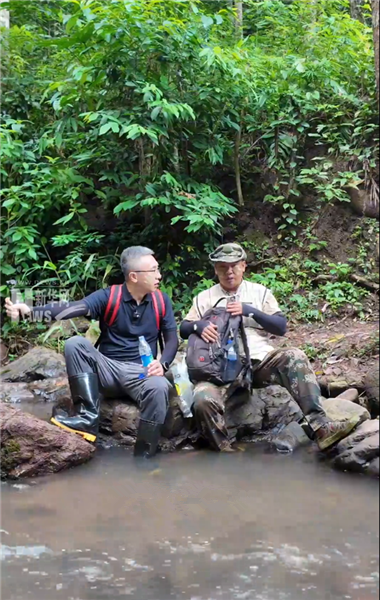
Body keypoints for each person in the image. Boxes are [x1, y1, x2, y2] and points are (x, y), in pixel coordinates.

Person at [180, 242, 360, 452]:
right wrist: (198, 325)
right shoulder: (205, 298)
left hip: (259, 364)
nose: (229, 271)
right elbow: (183, 328)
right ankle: (224, 452)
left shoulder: (260, 293)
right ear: (215, 269)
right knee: (202, 399)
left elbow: (280, 326)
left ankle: (321, 426)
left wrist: (249, 311)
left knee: (294, 356)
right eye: (222, 266)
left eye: (234, 266)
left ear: (243, 266)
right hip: (219, 370)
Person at [5, 246, 179, 458]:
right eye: (153, 270)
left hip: (142, 373)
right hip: (108, 370)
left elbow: (172, 339)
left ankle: (145, 456)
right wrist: (30, 311)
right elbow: (73, 308)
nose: (159, 275)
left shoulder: (161, 301)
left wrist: (162, 364)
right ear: (134, 276)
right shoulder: (110, 296)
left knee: (160, 386)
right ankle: (87, 418)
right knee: (75, 343)